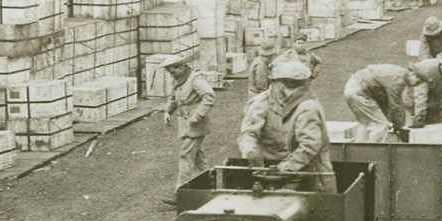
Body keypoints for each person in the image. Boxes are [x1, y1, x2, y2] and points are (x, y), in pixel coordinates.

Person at [237, 60, 334, 193]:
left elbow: (309, 146)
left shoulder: (303, 104)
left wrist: (285, 167)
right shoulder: (261, 103)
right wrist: (250, 151)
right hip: (270, 167)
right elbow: (248, 133)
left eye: (285, 82)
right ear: (274, 82)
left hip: (301, 168)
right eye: (279, 82)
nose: (282, 87)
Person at [162, 55, 215, 201]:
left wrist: (197, 116)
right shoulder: (178, 79)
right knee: (197, 157)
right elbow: (173, 97)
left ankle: (180, 193)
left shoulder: (195, 78)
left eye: (172, 71)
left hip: (195, 124)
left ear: (180, 67)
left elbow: (209, 96)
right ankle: (209, 186)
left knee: (185, 155)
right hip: (186, 124)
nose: (171, 74)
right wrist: (168, 111)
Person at [344, 63, 418, 142]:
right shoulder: (398, 81)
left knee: (365, 123)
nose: (417, 84)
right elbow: (395, 107)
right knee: (381, 125)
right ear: (413, 74)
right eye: (418, 80)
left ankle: (357, 149)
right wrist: (399, 127)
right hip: (359, 91)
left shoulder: (399, 73)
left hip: (353, 86)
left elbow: (385, 101)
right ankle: (373, 152)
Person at [407, 47, 442, 127]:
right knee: (412, 132)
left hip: (433, 102)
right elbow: (420, 94)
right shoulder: (425, 68)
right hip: (413, 101)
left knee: (433, 130)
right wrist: (419, 116)